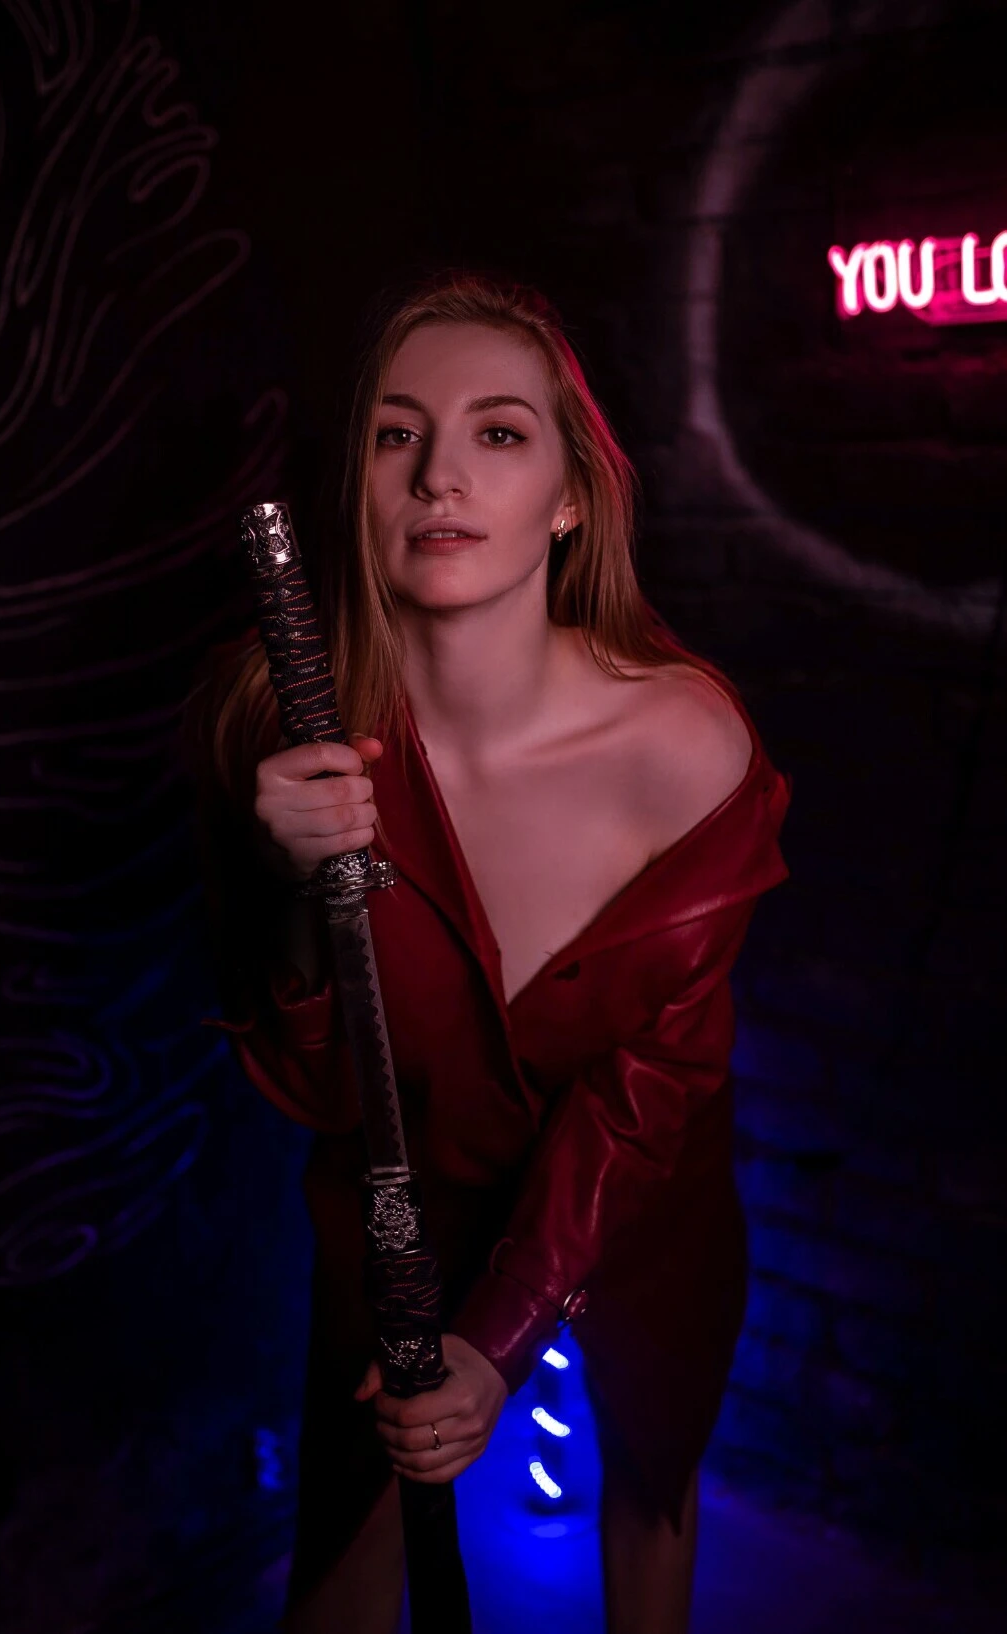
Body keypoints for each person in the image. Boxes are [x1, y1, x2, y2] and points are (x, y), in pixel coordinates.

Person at [189, 271, 792, 1634]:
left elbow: (656, 1084)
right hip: (401, 1216)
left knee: (651, 1492)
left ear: (571, 497)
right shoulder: (278, 730)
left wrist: (501, 1333)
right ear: (358, 485)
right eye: (397, 434)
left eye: (499, 433)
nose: (439, 476)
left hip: (639, 1203)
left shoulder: (684, 742)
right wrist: (291, 887)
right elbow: (315, 1087)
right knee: (343, 1558)